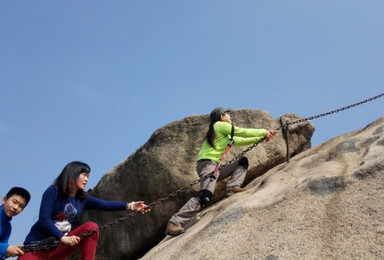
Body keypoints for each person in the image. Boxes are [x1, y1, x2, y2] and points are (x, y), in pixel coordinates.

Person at [166, 107, 278, 236]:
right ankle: (174, 222)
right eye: (227, 114)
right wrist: (264, 131)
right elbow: (240, 132)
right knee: (204, 197)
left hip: (216, 168)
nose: (230, 116)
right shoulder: (219, 125)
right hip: (207, 165)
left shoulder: (225, 134)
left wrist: (264, 137)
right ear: (221, 117)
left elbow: (243, 140)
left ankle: (233, 187)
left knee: (242, 161)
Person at [19, 161, 150, 260]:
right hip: (36, 250)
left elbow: (105, 205)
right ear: (72, 174)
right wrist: (62, 238)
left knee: (91, 227)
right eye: (84, 175)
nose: (87, 179)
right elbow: (44, 219)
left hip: (58, 248)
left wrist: (131, 206)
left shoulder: (82, 198)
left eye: (88, 176)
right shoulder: (53, 191)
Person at [0, 187, 31, 259]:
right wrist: (6, 249)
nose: (16, 207)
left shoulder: (8, 227)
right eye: (14, 202)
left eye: (21, 206)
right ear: (4, 200)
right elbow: (5, 248)